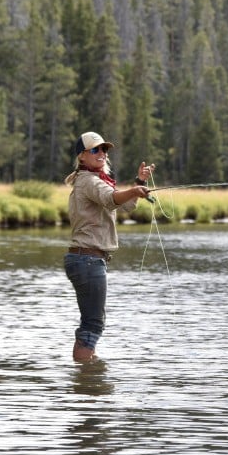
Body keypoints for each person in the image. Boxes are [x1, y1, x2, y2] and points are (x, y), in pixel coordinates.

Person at [64, 130, 154, 363]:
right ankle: (85, 380)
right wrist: (134, 191)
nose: (101, 153)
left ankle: (86, 371)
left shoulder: (95, 181)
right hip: (88, 260)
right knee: (93, 323)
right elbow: (110, 199)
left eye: (104, 149)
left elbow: (124, 206)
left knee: (92, 322)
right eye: (95, 149)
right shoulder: (89, 181)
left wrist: (139, 183)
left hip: (87, 260)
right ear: (82, 157)